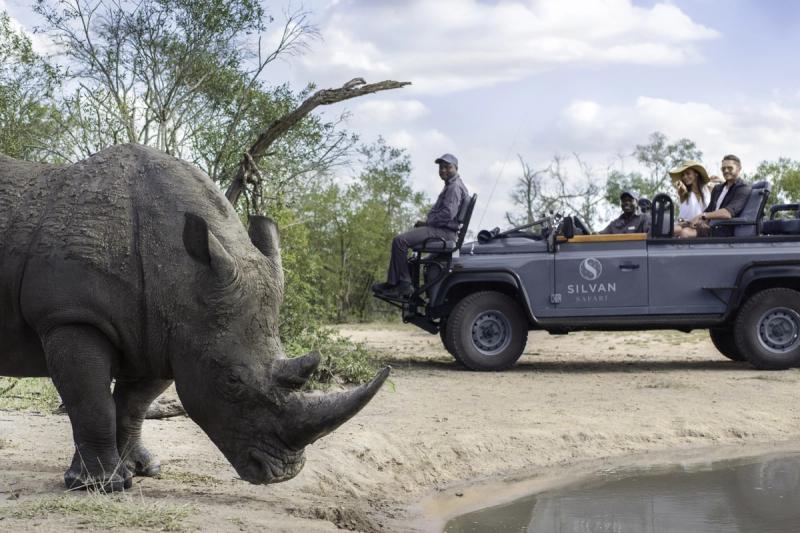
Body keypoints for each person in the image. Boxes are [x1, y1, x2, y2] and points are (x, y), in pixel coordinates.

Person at [372, 153, 469, 298]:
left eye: (447, 167)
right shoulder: (452, 185)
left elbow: (448, 214)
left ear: (456, 167)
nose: (443, 170)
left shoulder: (454, 187)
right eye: (441, 167)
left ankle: (403, 284)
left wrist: (429, 222)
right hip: (441, 229)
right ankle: (394, 283)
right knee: (401, 241)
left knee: (400, 241)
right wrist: (425, 223)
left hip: (444, 232)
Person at [677, 154, 751, 238]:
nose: (726, 171)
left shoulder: (743, 188)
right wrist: (703, 221)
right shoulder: (718, 188)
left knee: (685, 233)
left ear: (739, 169)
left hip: (724, 230)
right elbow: (709, 210)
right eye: (723, 169)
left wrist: (703, 216)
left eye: (730, 168)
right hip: (710, 228)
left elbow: (727, 213)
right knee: (678, 230)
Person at [669, 160, 711, 234]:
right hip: (686, 225)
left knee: (684, 232)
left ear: (696, 174)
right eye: (683, 175)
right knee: (674, 229)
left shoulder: (707, 190)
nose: (685, 177)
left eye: (688, 174)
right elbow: (680, 219)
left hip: (703, 227)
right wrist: (683, 222)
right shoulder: (684, 192)